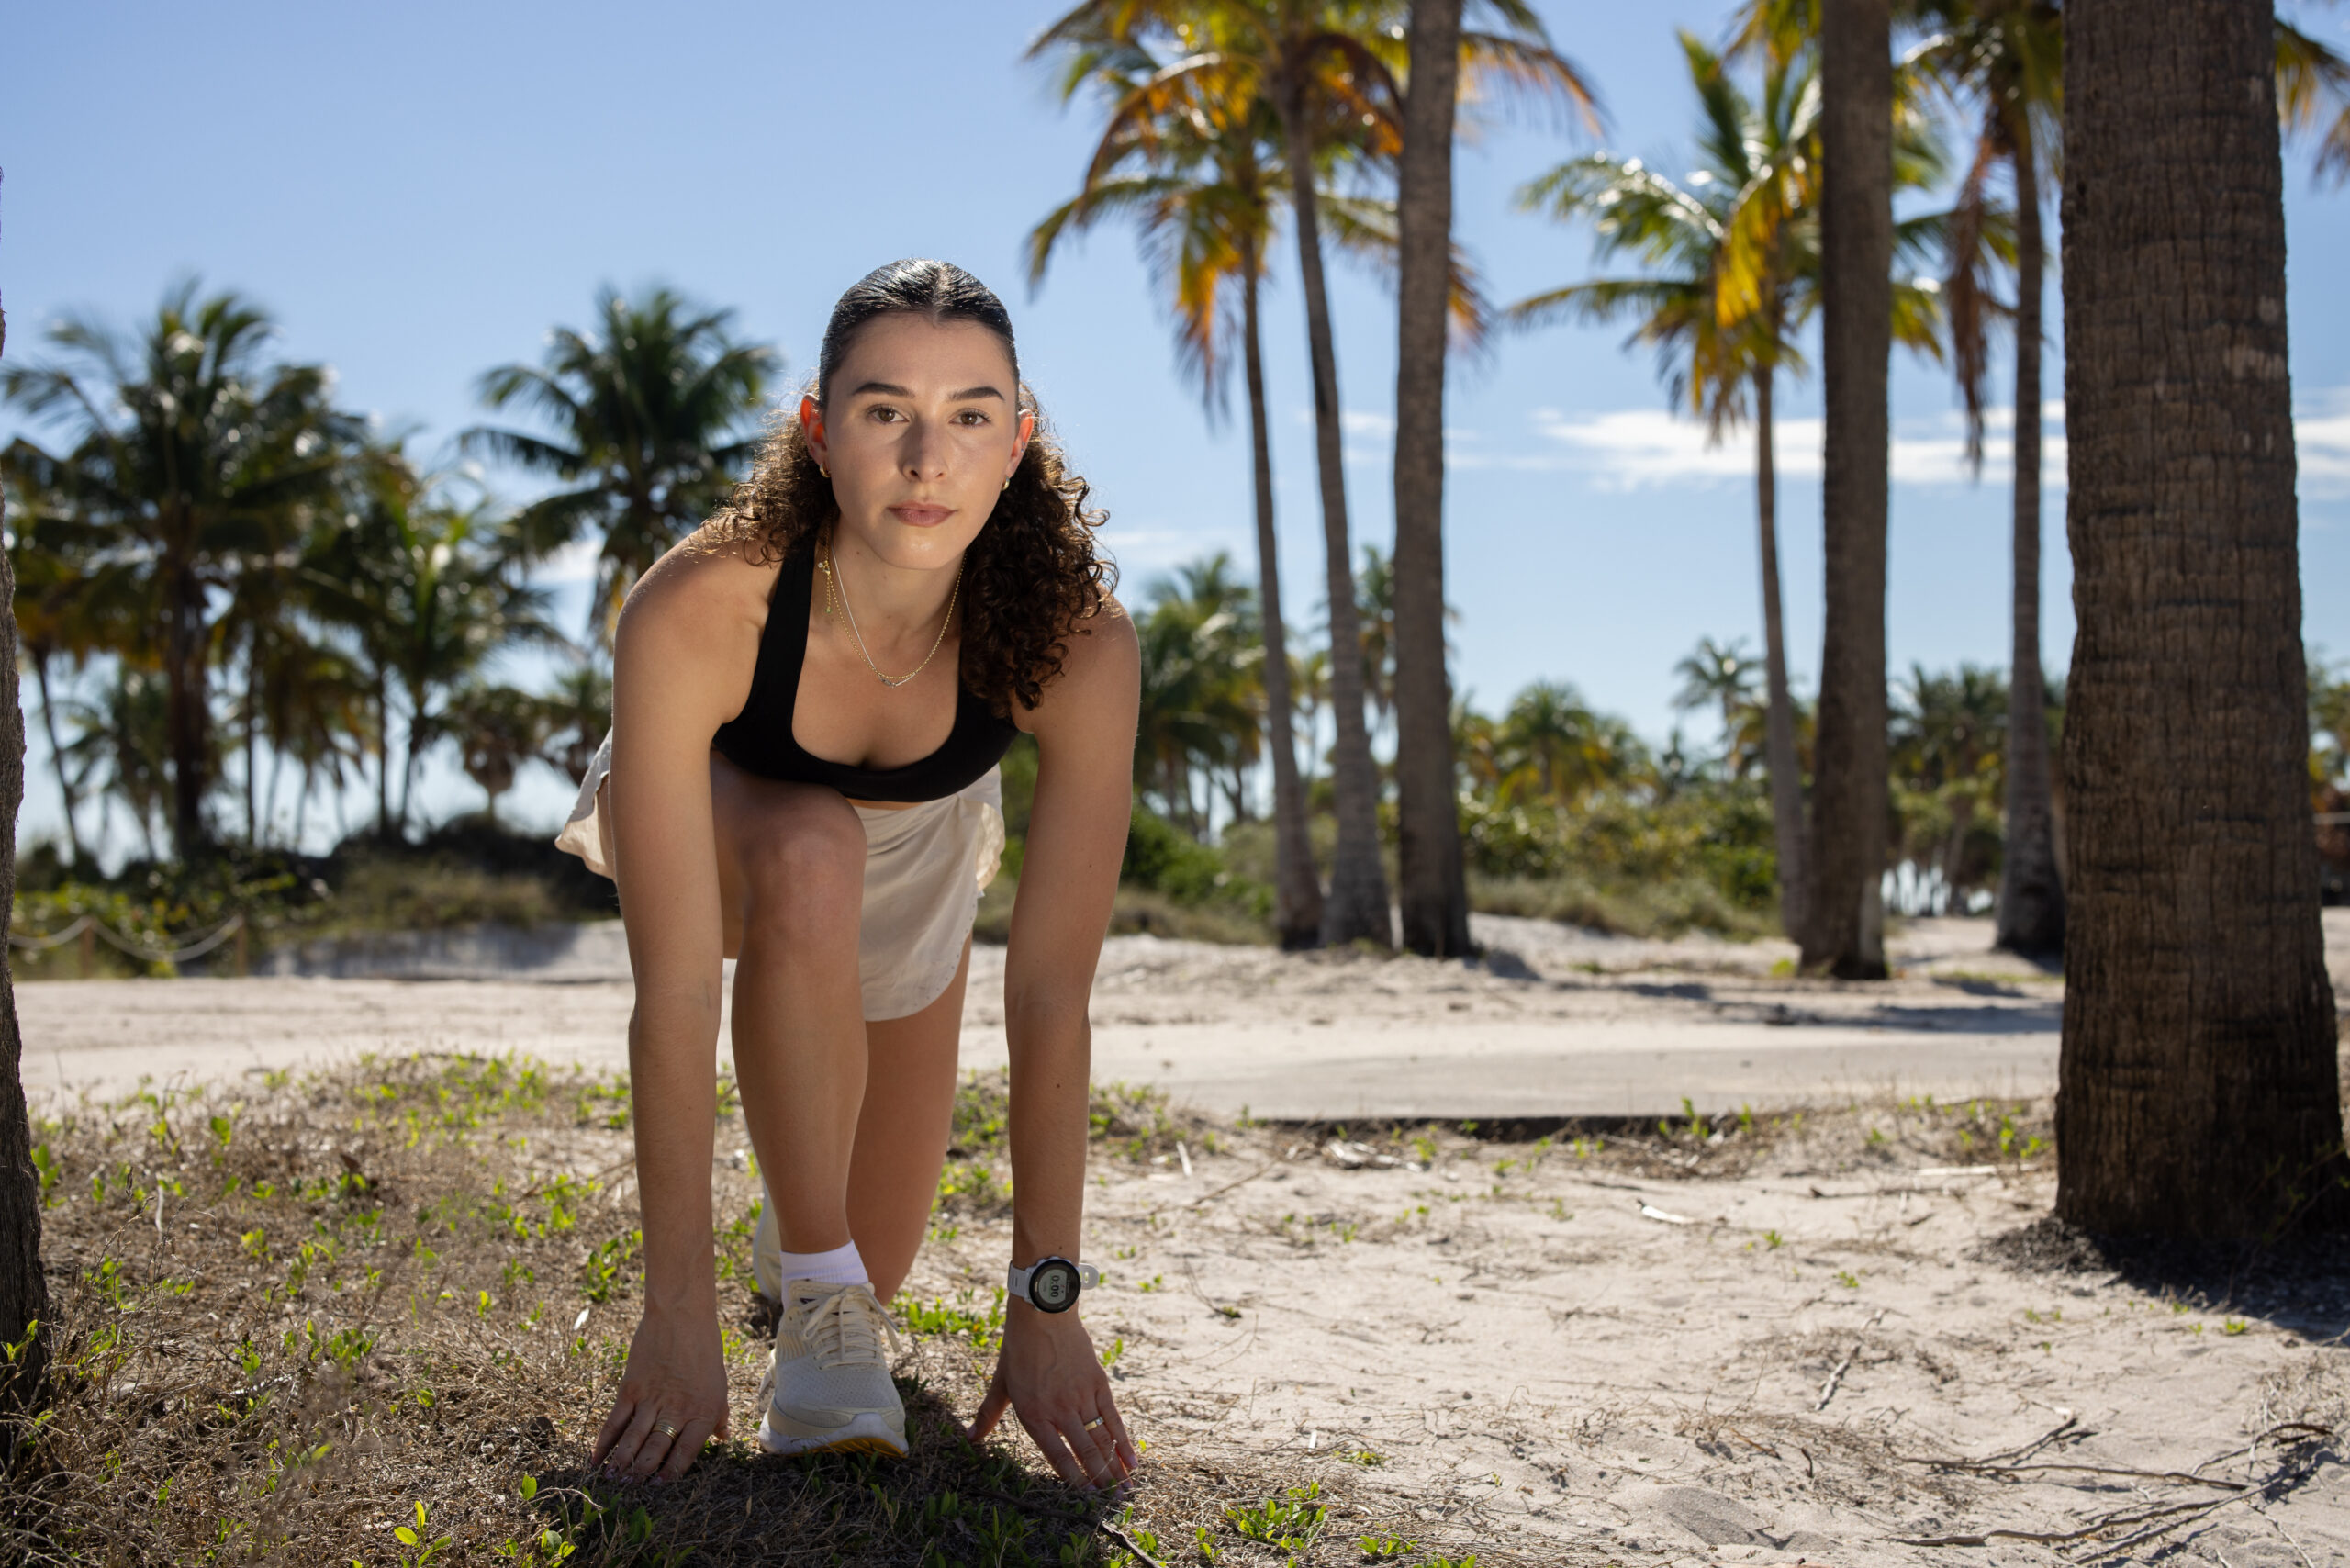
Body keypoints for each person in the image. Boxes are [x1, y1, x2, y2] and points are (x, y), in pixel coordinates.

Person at [551, 259, 1141, 1490]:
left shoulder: (1074, 642)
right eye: (885, 411)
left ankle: (809, 1236)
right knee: (812, 850)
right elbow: (671, 996)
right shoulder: (701, 607)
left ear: (1018, 437)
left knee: (886, 1254)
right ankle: (812, 1280)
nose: (928, 458)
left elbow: (1047, 1000)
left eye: (971, 415)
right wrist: (675, 1314)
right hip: (725, 821)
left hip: (928, 845)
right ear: (820, 433)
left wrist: (1046, 1299)